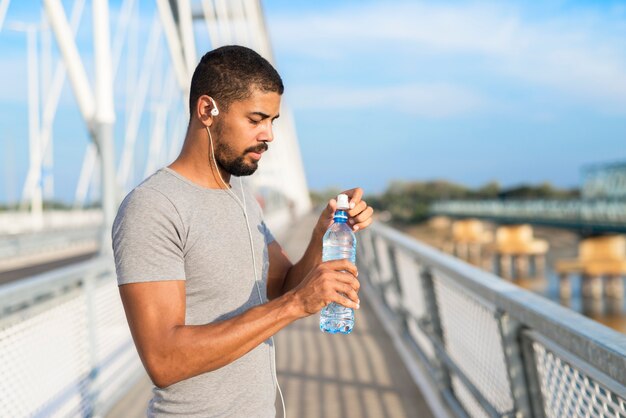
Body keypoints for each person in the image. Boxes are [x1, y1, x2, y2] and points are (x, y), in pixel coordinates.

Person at [112, 45, 374, 417]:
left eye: (273, 120)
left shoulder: (240, 195)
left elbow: (283, 286)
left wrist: (322, 233)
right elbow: (164, 360)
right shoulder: (153, 206)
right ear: (207, 111)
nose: (268, 135)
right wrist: (296, 306)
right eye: (255, 119)